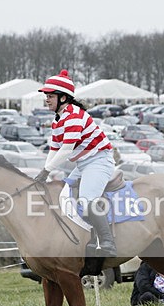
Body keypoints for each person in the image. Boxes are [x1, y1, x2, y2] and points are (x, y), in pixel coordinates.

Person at [34, 70, 117, 257]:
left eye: (50, 96)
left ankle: (107, 242)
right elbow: (54, 149)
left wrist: (46, 171)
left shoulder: (73, 116)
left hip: (99, 161)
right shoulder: (58, 120)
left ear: (63, 98)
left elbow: (66, 149)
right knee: (63, 195)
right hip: (83, 164)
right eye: (46, 96)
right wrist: (44, 171)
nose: (46, 100)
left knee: (87, 201)